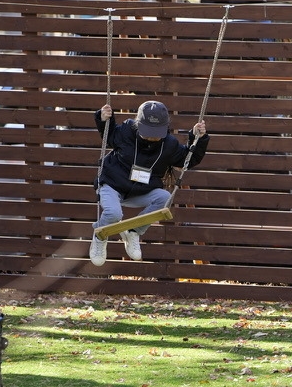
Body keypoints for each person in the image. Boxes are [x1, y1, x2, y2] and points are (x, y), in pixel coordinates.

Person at [90, 100, 209, 266]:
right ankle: (99, 236)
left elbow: (189, 159)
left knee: (164, 197)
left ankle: (133, 233)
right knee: (114, 214)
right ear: (138, 125)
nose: (152, 136)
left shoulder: (169, 145)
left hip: (140, 191)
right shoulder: (126, 131)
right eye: (148, 131)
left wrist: (198, 138)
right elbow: (109, 136)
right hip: (113, 185)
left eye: (157, 132)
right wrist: (104, 119)